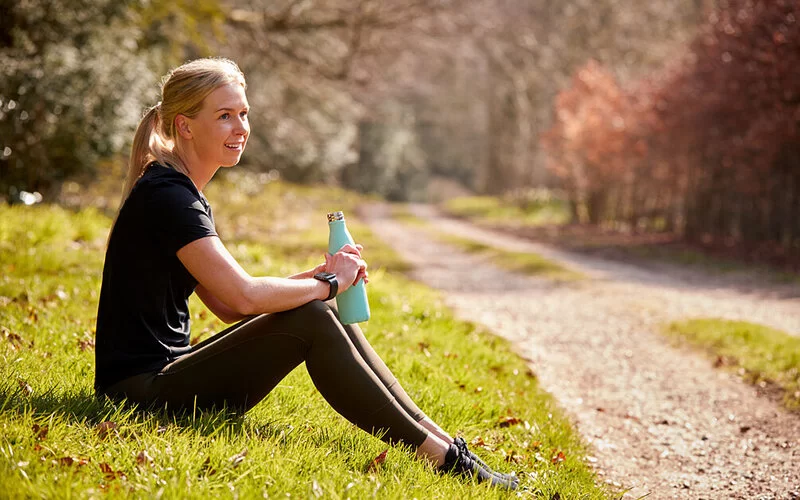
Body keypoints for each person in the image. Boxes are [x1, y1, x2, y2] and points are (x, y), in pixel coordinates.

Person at [94, 57, 518, 489]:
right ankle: (444, 459)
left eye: (243, 113)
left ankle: (447, 446)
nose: (240, 127)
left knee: (321, 308)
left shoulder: (177, 190)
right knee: (315, 313)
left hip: (158, 379)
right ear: (184, 126)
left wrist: (320, 276)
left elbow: (222, 305)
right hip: (138, 395)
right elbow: (243, 297)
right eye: (224, 116)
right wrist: (328, 283)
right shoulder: (169, 197)